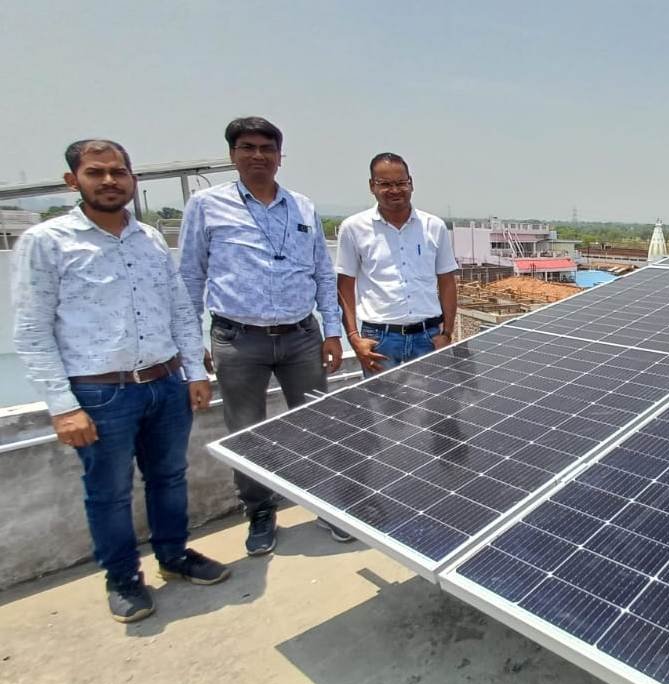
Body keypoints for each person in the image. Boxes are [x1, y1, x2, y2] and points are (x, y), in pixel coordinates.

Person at [12, 139, 229, 623]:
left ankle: (174, 555)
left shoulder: (149, 239)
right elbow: (32, 331)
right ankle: (123, 578)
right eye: (96, 172)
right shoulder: (47, 242)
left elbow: (178, 308)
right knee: (108, 492)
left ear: (132, 179)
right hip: (100, 391)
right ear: (73, 180)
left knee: (169, 477)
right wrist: (63, 405)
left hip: (165, 382)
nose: (109, 181)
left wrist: (194, 371)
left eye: (118, 172)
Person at [179, 117, 350, 555]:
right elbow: (190, 278)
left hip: (301, 336)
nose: (258, 155)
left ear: (279, 156)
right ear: (232, 155)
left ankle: (328, 505)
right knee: (247, 433)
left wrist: (333, 332)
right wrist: (192, 347)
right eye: (248, 147)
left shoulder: (303, 207)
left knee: (319, 424)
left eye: (267, 148)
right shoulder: (206, 206)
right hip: (238, 340)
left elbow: (323, 274)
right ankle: (259, 511)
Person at [336, 152, 458, 375]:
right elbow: (344, 286)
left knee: (435, 398)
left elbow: (447, 281)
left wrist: (447, 333)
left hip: (428, 337)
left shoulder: (434, 226)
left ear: (411, 184)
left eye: (401, 183)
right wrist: (354, 338)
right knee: (381, 398)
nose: (394, 190)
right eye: (385, 184)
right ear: (372, 186)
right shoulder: (353, 228)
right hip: (379, 341)